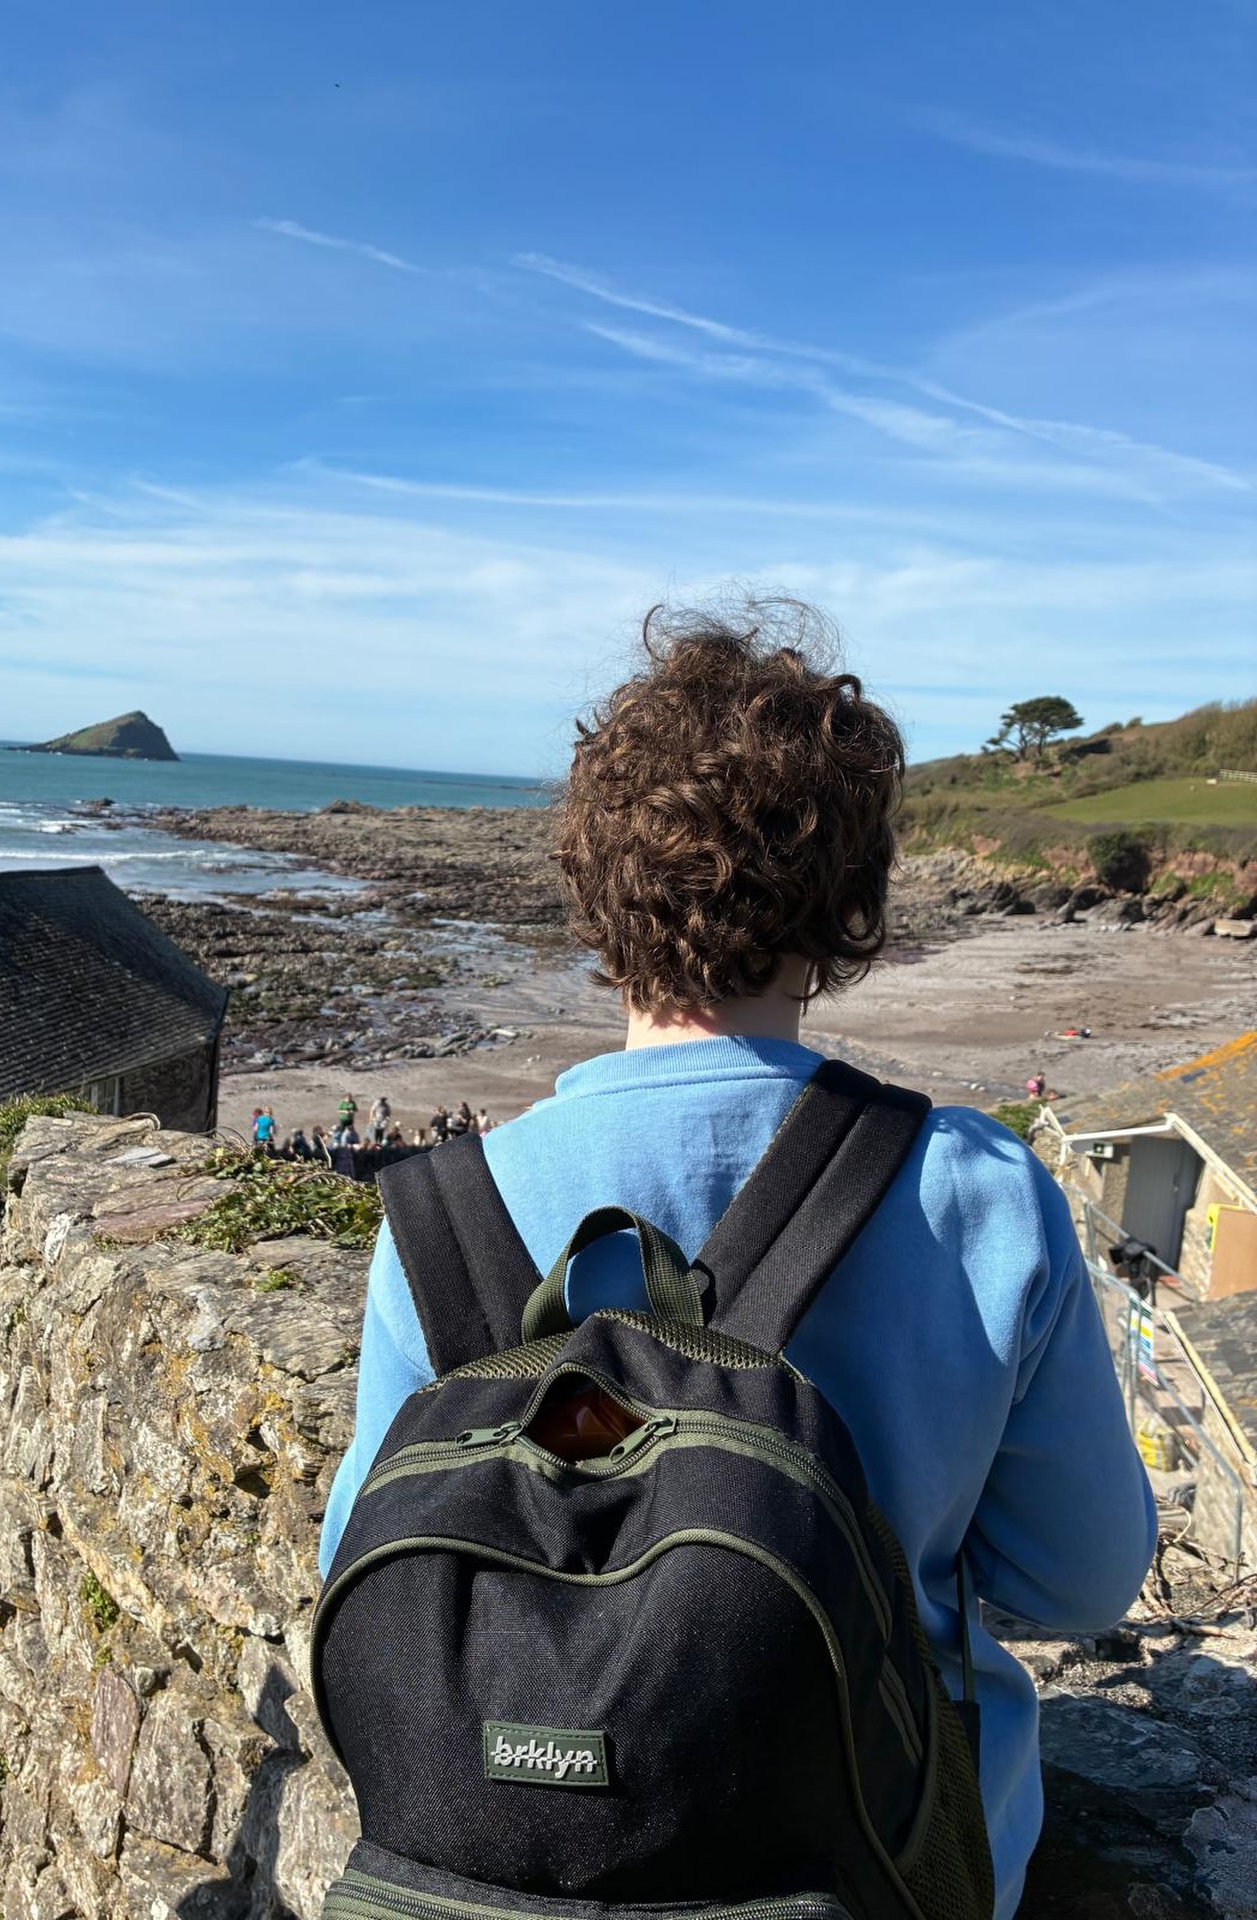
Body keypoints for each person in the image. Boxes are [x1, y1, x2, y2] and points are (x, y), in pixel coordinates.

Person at [319, 599, 1155, 1920]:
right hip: (877, 1879)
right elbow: (1082, 1576)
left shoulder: (442, 1213)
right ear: (853, 904)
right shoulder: (981, 1195)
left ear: (596, 887)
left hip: (502, 1871)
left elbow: (355, 1570)